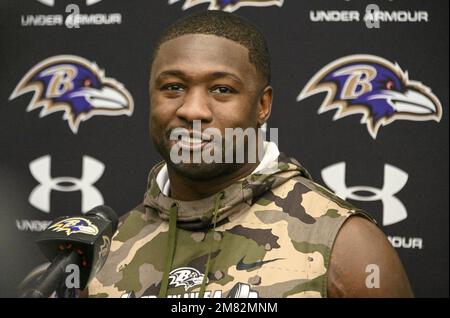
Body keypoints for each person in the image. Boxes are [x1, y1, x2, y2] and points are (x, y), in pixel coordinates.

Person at [87, 10, 413, 298]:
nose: (193, 110)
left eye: (222, 89)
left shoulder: (344, 246)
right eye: (173, 86)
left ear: (262, 105)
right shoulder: (104, 251)